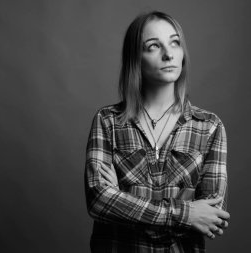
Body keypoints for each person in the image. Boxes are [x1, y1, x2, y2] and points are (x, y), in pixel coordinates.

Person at [84, 11, 229, 252]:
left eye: (175, 42)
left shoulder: (209, 126)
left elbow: (212, 217)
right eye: (153, 46)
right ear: (135, 58)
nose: (169, 54)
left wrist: (123, 199)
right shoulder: (107, 121)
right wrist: (186, 213)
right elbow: (99, 202)